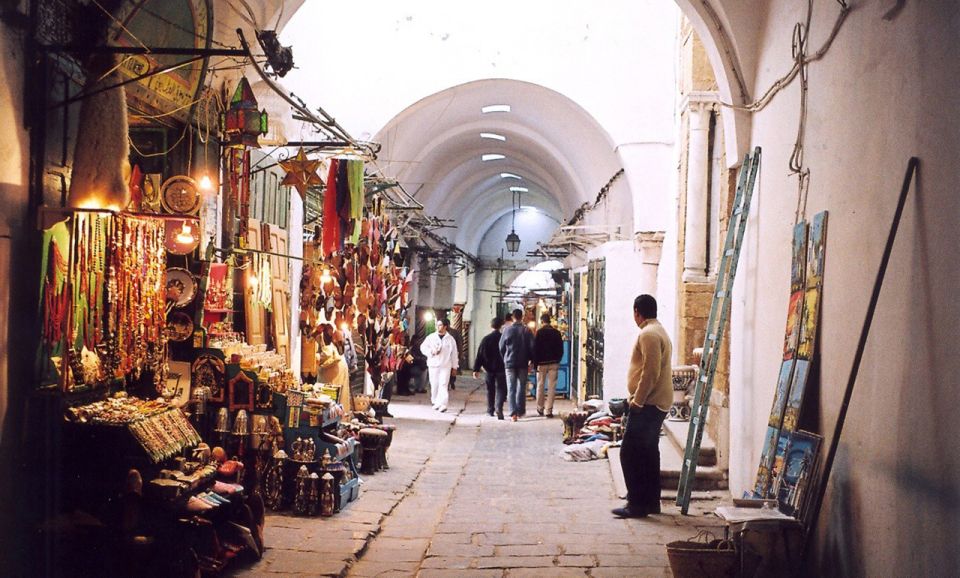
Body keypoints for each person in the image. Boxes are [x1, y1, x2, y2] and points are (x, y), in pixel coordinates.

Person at [613, 294, 673, 519]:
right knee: (648, 453)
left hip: (649, 403)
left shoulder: (648, 334)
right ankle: (650, 502)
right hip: (656, 401)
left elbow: (650, 371)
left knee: (630, 453)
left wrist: (637, 400)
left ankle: (636, 503)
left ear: (637, 311)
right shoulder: (658, 330)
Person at [499, 309, 534, 422]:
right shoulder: (527, 331)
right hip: (523, 363)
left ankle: (513, 413)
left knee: (511, 388)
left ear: (513, 317)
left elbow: (501, 347)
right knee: (521, 387)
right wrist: (531, 361)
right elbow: (532, 347)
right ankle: (520, 411)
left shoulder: (507, 330)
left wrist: (505, 357)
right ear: (522, 317)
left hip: (509, 363)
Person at [419, 317, 459, 412]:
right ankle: (436, 402)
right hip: (433, 364)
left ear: (445, 326)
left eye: (440, 325)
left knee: (443, 384)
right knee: (434, 384)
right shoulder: (431, 337)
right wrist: (431, 352)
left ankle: (443, 404)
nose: (438, 327)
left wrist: (454, 367)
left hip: (445, 365)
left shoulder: (450, 339)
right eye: (437, 325)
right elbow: (423, 347)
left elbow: (454, 353)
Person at [472, 317, 507, 419]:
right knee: (501, 389)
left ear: (491, 326)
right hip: (501, 368)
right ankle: (499, 407)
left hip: (489, 369)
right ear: (501, 326)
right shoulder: (503, 338)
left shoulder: (486, 339)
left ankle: (490, 410)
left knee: (490, 389)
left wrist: (476, 369)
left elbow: (480, 355)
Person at [533, 312, 564, 418]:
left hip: (541, 364)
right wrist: (558, 359)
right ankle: (549, 410)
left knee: (540, 385)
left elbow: (535, 349)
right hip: (554, 363)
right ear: (549, 321)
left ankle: (540, 408)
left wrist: (535, 364)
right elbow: (561, 348)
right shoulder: (557, 332)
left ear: (542, 321)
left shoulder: (539, 333)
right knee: (552, 387)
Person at [316, 324, 350, 389]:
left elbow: (323, 358)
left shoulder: (328, 350)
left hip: (330, 383)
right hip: (339, 375)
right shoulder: (336, 351)